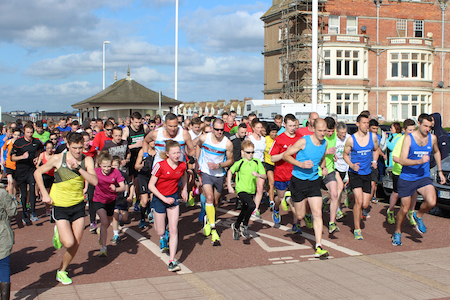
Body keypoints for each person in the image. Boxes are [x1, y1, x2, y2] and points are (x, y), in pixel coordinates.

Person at [34, 132, 97, 285]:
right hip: (60, 204)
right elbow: (37, 172)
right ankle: (59, 232)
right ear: (68, 145)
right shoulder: (57, 158)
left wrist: (79, 169)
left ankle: (61, 271)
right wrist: (44, 193)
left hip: (78, 205)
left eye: (81, 147)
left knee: (76, 242)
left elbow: (94, 181)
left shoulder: (87, 160)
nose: (78, 151)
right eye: (75, 148)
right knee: (68, 243)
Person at [392, 114, 446, 246]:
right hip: (407, 178)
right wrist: (419, 161)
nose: (427, 129)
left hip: (423, 176)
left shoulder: (432, 138)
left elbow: (436, 152)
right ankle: (397, 232)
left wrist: (440, 171)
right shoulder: (408, 139)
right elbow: (403, 160)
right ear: (418, 124)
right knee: (404, 210)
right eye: (425, 126)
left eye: (430, 127)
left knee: (432, 201)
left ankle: (419, 215)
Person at [282, 118, 330, 258]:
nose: (322, 134)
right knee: (300, 215)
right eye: (320, 131)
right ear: (313, 129)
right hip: (298, 181)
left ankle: (318, 246)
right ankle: (289, 199)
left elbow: (321, 158)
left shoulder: (325, 143)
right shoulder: (304, 141)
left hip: (314, 181)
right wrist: (301, 164)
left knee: (317, 213)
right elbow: (286, 155)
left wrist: (324, 166)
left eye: (324, 131)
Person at [149, 140, 188, 271]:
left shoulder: (182, 165)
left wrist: (184, 189)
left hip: (173, 199)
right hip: (159, 199)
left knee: (174, 229)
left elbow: (184, 175)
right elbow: (150, 186)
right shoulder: (160, 165)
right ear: (167, 154)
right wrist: (163, 198)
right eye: (174, 153)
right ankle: (162, 234)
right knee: (160, 231)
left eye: (179, 152)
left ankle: (172, 260)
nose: (177, 155)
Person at [196, 118, 234, 244]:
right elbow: (197, 145)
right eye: (217, 129)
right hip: (206, 172)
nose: (219, 132)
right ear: (212, 128)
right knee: (210, 197)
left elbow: (230, 161)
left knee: (216, 202)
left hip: (219, 174)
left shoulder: (227, 143)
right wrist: (197, 161)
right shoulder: (204, 138)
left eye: (221, 130)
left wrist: (218, 166)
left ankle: (209, 219)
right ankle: (213, 230)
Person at [343, 114, 379, 240]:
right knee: (359, 202)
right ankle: (357, 229)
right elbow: (345, 155)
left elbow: (376, 149)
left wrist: (374, 161)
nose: (366, 125)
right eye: (364, 123)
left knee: (364, 204)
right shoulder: (351, 140)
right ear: (357, 124)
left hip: (367, 173)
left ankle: (349, 196)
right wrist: (352, 165)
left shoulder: (373, 137)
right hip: (355, 173)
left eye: (367, 123)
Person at [227, 140, 266, 240]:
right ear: (242, 152)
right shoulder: (240, 163)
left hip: (251, 190)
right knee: (252, 205)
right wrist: (229, 186)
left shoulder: (257, 162)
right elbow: (230, 171)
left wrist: (258, 175)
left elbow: (264, 175)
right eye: (248, 152)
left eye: (252, 152)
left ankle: (236, 226)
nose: (250, 154)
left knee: (245, 209)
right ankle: (245, 225)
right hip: (241, 189)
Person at [270, 114, 301, 231]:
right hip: (281, 173)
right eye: (290, 126)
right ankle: (276, 208)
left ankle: (295, 224)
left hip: (295, 173)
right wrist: (285, 154)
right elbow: (272, 158)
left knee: (294, 199)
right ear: (284, 125)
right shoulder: (279, 139)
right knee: (282, 198)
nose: (292, 128)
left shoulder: (299, 138)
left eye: (294, 126)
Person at [92, 152, 126, 256]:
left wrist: (115, 188)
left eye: (109, 166)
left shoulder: (115, 172)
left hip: (111, 200)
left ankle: (101, 233)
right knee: (104, 220)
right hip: (98, 200)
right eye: (104, 166)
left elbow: (123, 187)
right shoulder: (95, 172)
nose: (107, 169)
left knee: (105, 224)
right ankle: (103, 248)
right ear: (99, 165)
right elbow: (86, 179)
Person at [386, 119, 417, 225]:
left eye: (414, 129)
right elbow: (395, 157)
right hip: (399, 172)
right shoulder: (401, 140)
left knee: (414, 192)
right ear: (404, 130)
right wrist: (405, 163)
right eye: (410, 130)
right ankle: (390, 210)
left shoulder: (416, 140)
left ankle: (411, 213)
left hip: (412, 172)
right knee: (397, 193)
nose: (412, 132)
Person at [11, 123, 43, 224]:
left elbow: (40, 150)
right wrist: (22, 157)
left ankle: (33, 212)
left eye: (31, 132)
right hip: (21, 170)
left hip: (31, 169)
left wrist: (37, 158)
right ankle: (24, 212)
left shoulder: (36, 142)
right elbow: (12, 157)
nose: (29, 134)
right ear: (24, 132)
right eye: (27, 132)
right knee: (24, 193)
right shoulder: (18, 142)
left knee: (32, 189)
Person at [320, 117, 341, 234]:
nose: (330, 133)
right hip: (317, 170)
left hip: (330, 169)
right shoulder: (319, 137)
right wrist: (327, 152)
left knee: (334, 193)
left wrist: (333, 156)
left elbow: (332, 149)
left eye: (332, 131)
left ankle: (332, 223)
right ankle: (307, 215)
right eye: (328, 131)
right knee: (310, 199)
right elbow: (314, 153)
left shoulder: (334, 135)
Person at [0, 184, 18, 300]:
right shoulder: (2, 193)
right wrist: (12, 195)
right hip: (2, 232)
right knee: (4, 266)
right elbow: (12, 212)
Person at [246, 118, 266, 218]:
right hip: (251, 163)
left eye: (260, 127)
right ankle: (248, 206)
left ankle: (255, 209)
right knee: (250, 188)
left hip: (261, 164)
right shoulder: (249, 139)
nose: (259, 129)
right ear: (253, 128)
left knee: (260, 187)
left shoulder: (263, 139)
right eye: (257, 127)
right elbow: (245, 153)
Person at [135, 142, 156, 229]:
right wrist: (141, 166)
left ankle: (152, 213)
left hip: (153, 177)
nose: (153, 143)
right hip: (143, 176)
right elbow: (136, 166)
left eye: (155, 140)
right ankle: (142, 219)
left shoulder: (159, 151)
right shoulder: (143, 151)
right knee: (144, 201)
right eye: (151, 141)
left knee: (153, 198)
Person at [111, 156, 132, 244]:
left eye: (116, 165)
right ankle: (116, 234)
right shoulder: (109, 175)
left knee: (125, 218)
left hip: (122, 198)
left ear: (119, 165)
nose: (114, 167)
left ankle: (120, 218)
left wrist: (130, 196)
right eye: (113, 165)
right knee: (114, 216)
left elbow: (131, 185)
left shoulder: (123, 174)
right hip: (113, 199)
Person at [334, 122, 350, 220]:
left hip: (345, 167)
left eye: (345, 132)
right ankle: (337, 210)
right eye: (341, 133)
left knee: (335, 191)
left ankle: (327, 199)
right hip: (335, 167)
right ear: (337, 131)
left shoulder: (349, 138)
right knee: (339, 187)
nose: (343, 135)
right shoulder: (333, 139)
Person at [1, 129, 20, 198]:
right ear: (12, 135)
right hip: (8, 164)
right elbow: (3, 148)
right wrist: (2, 158)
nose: (16, 136)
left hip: (17, 165)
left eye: (18, 135)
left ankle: (14, 197)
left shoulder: (20, 143)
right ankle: (10, 197)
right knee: (10, 181)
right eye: (15, 135)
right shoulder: (8, 142)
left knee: (14, 183)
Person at [263, 123, 278, 209]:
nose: (274, 134)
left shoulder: (278, 139)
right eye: (272, 132)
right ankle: (272, 201)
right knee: (271, 182)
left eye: (275, 132)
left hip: (276, 163)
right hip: (268, 163)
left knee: (275, 183)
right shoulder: (265, 139)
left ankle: (267, 192)